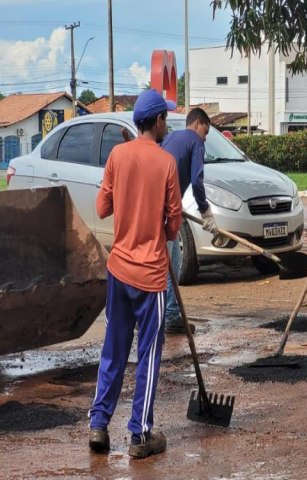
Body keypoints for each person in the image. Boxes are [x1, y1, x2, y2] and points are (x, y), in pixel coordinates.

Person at [88, 89, 182, 458]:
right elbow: (173, 228)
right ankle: (140, 435)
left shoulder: (117, 155)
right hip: (150, 277)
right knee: (148, 355)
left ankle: (98, 424)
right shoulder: (166, 163)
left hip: (119, 270)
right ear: (157, 122)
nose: (167, 124)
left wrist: (127, 194)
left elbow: (101, 207)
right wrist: (157, 217)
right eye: (166, 119)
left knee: (114, 348)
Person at [161, 107, 217, 334]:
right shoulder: (196, 141)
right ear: (196, 124)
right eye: (205, 131)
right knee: (168, 266)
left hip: (160, 205)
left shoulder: (171, 137)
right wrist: (205, 211)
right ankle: (166, 317)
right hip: (166, 210)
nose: (205, 136)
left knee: (171, 261)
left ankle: (171, 314)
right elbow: (197, 180)